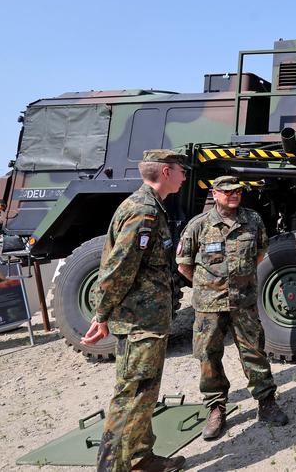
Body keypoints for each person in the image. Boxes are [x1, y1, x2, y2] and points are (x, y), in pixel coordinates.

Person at [81, 149, 188, 472]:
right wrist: (101, 315)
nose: (185, 176)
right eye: (181, 170)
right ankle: (112, 467)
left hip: (148, 319)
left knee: (145, 392)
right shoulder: (144, 212)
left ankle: (141, 458)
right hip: (139, 321)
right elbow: (118, 269)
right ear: (166, 172)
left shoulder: (150, 207)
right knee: (131, 395)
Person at [175, 175, 288, 440]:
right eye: (227, 192)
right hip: (209, 306)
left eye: (237, 191)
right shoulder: (199, 225)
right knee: (208, 356)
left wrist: (241, 281)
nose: (234, 195)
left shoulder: (253, 220)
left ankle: (266, 403)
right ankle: (216, 408)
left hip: (244, 302)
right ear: (214, 194)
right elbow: (184, 265)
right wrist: (209, 286)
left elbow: (260, 252)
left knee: (254, 352)